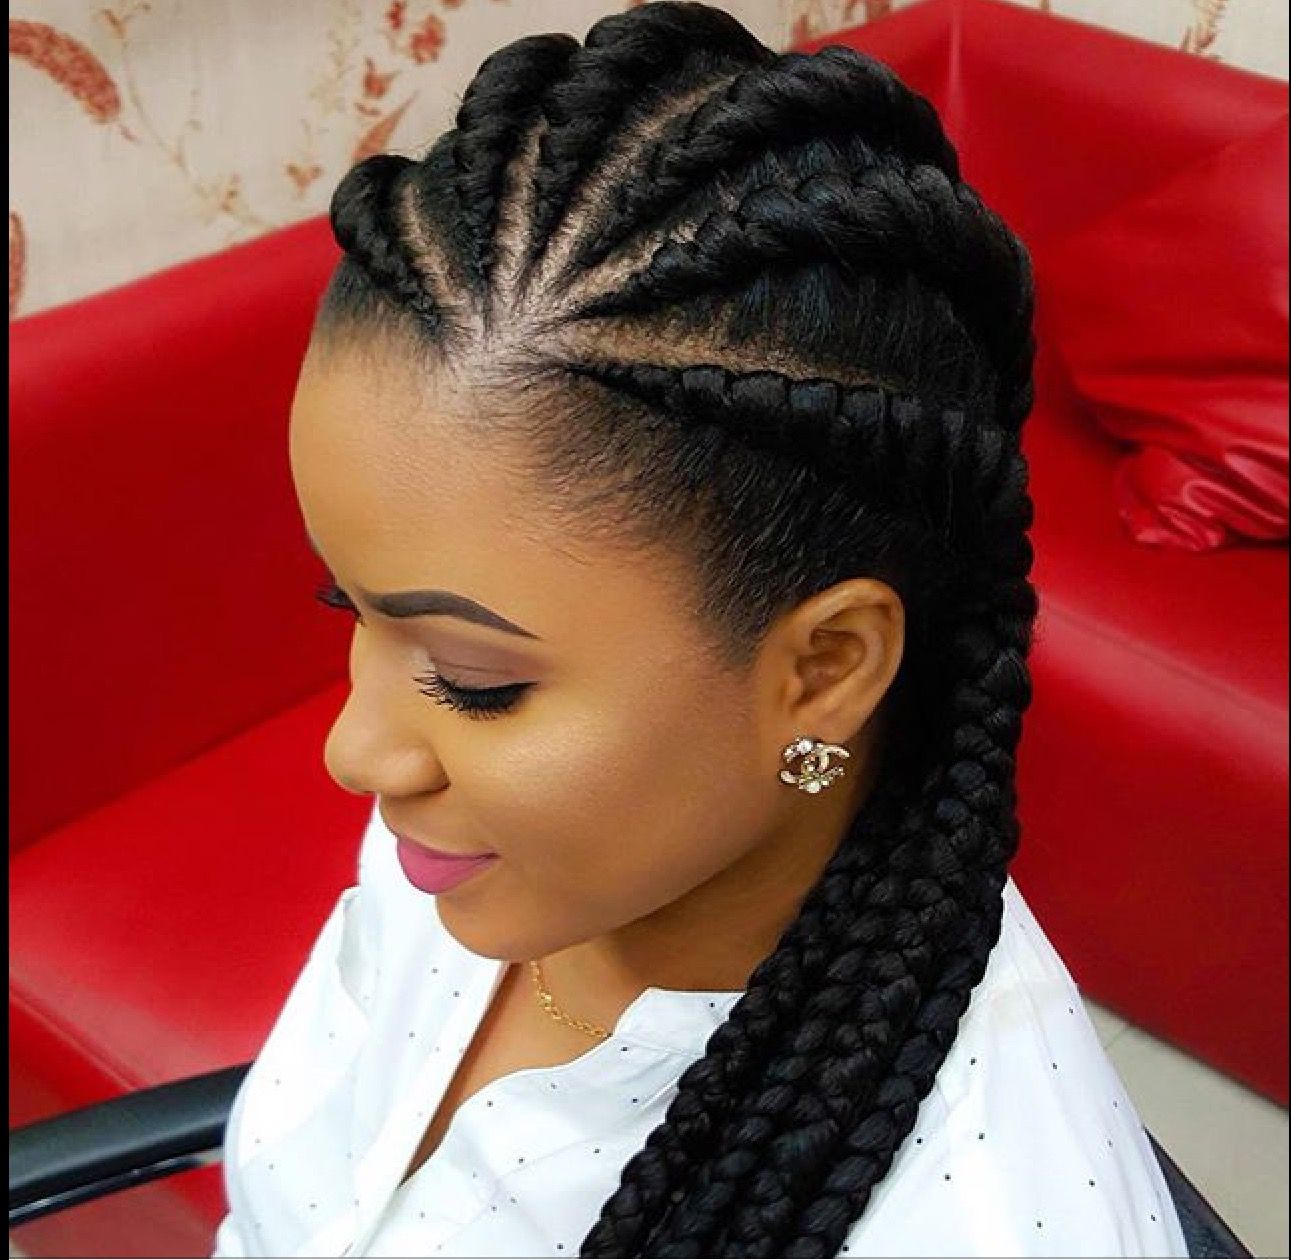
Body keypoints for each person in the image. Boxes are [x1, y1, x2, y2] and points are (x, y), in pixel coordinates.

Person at [211, 4, 1187, 1255]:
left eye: (471, 677)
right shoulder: (476, 847)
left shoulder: (978, 1219)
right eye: (346, 607)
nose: (357, 752)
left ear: (825, 668)